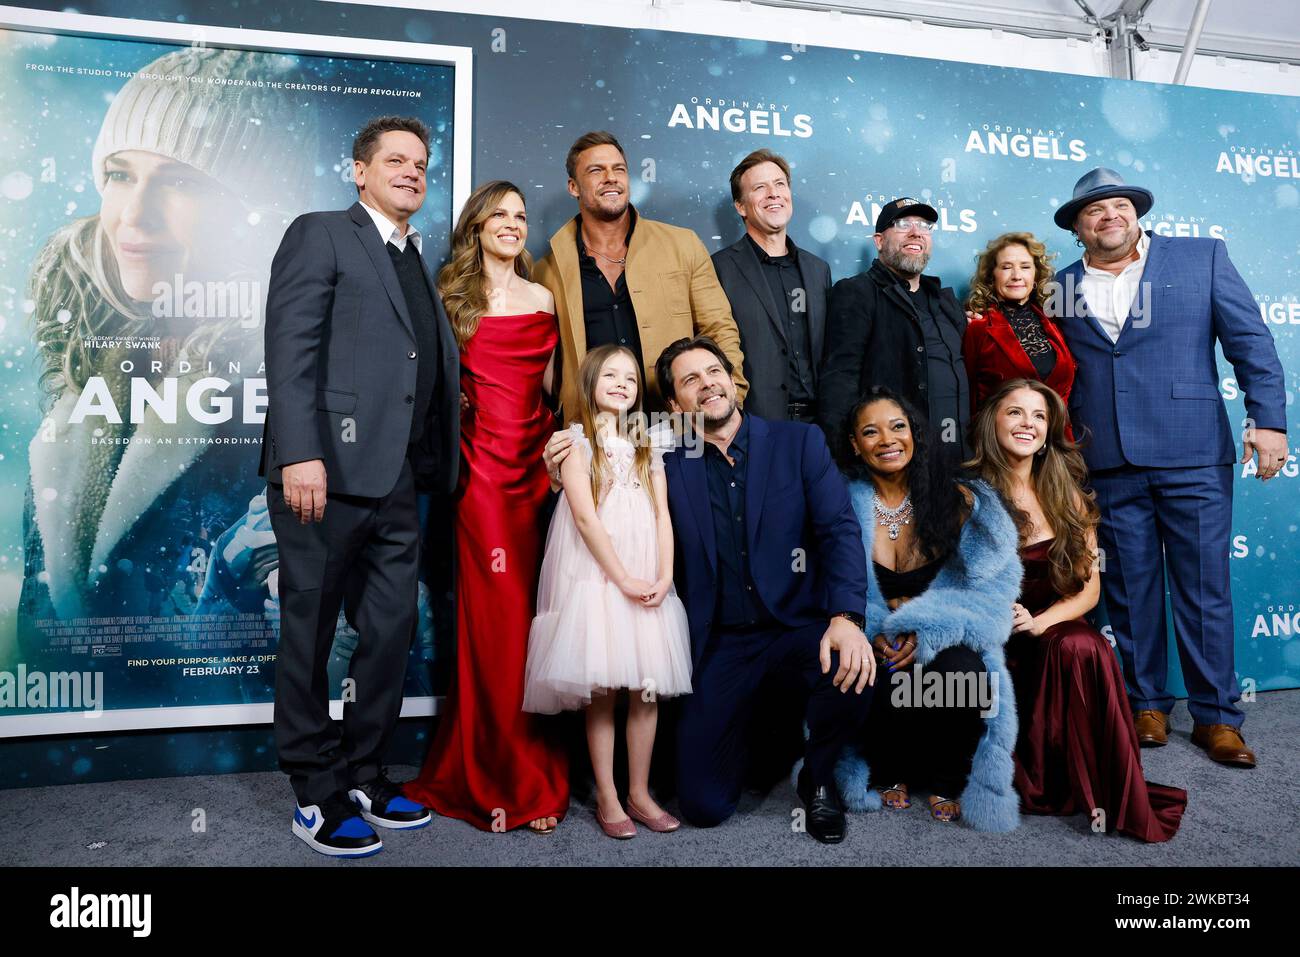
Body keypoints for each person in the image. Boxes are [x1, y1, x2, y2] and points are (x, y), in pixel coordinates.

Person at [19, 47, 297, 661]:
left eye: (180, 183)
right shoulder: (83, 374)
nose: (134, 216)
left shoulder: (286, 379)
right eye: (120, 175)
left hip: (221, 739)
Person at [262, 116, 459, 857]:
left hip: (400, 481)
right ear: (359, 170)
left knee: (389, 632)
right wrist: (299, 452)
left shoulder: (414, 255)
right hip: (325, 474)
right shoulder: (322, 232)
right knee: (309, 636)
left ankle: (368, 773)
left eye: (420, 163)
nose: (411, 171)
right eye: (395, 160)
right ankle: (314, 790)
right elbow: (291, 345)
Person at [1051, 167, 1287, 768]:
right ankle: (1146, 704)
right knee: (1130, 590)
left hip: (1192, 452)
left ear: (1136, 213)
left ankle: (1216, 716)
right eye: (1094, 210)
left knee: (1204, 587)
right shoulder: (1059, 287)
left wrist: (1269, 421)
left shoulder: (1201, 257)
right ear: (1077, 226)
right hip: (1106, 459)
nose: (1109, 216)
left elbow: (1252, 343)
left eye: (1119, 206)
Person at [401, 181, 571, 834]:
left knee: (534, 625)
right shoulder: (449, 295)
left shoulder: (544, 298)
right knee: (493, 629)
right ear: (476, 226)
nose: (511, 223)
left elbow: (552, 391)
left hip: (535, 481)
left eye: (520, 215)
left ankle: (534, 771)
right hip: (478, 482)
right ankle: (493, 778)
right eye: (498, 214)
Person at [968, 378, 1187, 842]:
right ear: (993, 421)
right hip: (990, 631)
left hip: (1051, 624)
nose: (1027, 424)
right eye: (1015, 412)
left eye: (1039, 416)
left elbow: (1089, 592)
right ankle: (1029, 774)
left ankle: (1102, 784)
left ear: (1049, 431)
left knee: (1083, 645)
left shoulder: (1067, 493)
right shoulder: (966, 494)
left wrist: (1040, 622)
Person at [522, 346, 693, 839]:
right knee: (602, 686)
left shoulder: (650, 443)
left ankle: (639, 791)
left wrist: (663, 575)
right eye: (611, 375)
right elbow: (583, 518)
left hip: (647, 572)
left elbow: (663, 515)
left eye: (632, 378)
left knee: (646, 684)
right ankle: (608, 793)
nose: (622, 384)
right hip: (598, 575)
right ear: (591, 382)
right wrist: (622, 578)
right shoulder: (575, 443)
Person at [835, 387, 1020, 830]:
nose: (887, 439)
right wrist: (873, 628)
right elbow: (829, 583)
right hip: (875, 638)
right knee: (864, 669)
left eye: (898, 426)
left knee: (966, 674)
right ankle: (889, 768)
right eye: (870, 431)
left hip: (948, 638)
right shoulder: (841, 501)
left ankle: (945, 778)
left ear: (915, 434)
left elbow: (994, 592)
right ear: (855, 444)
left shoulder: (960, 498)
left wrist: (928, 629)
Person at [531, 130, 748, 423]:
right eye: (596, 170)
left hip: (680, 428)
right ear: (573, 186)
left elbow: (719, 328)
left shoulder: (683, 244)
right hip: (594, 436)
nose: (611, 177)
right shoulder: (547, 270)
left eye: (618, 169)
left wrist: (731, 400)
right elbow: (539, 362)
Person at [818, 197, 971, 465]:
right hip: (895, 469)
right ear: (879, 241)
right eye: (903, 224)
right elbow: (839, 384)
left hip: (959, 465)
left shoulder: (946, 302)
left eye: (924, 226)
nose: (916, 232)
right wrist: (848, 462)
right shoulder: (857, 293)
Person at [711, 149, 831, 423]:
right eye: (760, 188)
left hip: (820, 429)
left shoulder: (818, 270)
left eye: (779, 184)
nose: (773, 194)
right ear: (740, 206)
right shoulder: (720, 269)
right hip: (755, 425)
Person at [962, 232, 1076, 438]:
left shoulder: (1055, 322)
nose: (1016, 275)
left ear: (1036, 274)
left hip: (1058, 449)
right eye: (1006, 267)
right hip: (1002, 450)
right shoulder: (976, 327)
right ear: (991, 275)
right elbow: (968, 399)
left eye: (1025, 266)